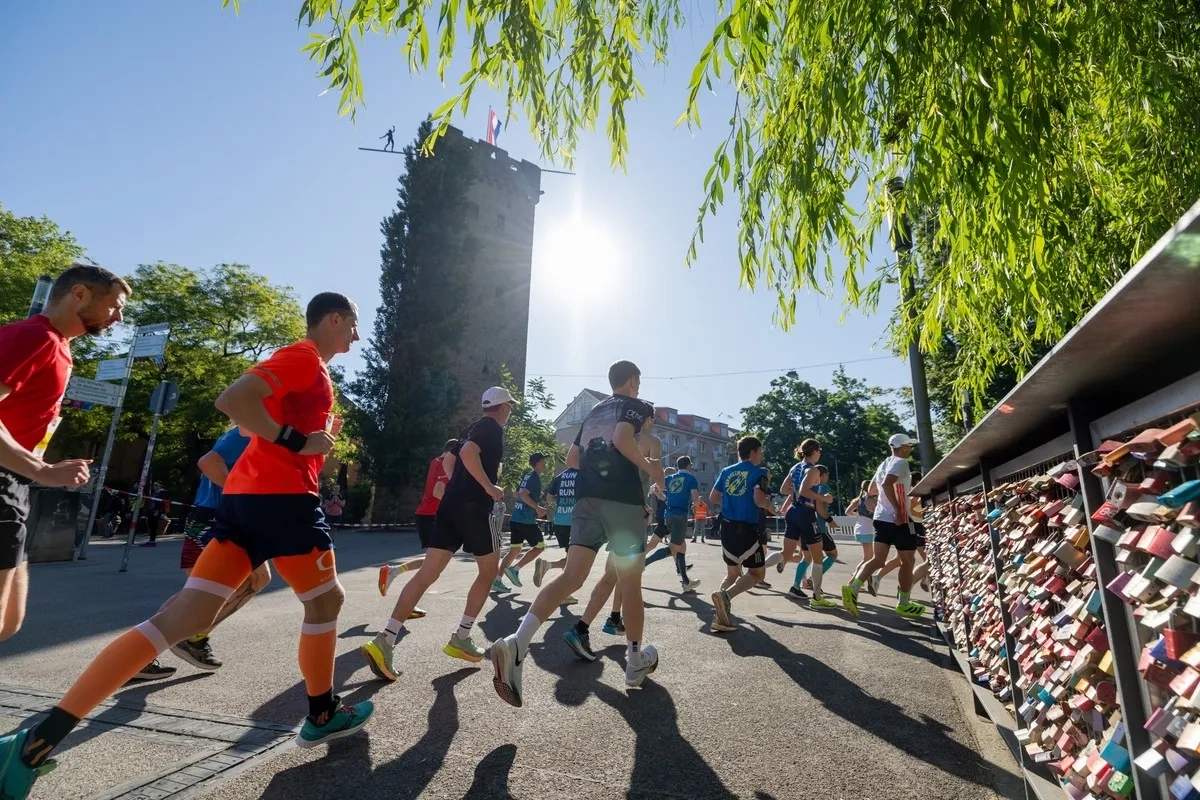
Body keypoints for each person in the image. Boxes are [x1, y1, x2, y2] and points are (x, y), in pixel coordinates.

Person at [0, 293, 371, 799]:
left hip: (245, 500)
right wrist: (294, 441)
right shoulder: (303, 357)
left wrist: (310, 435)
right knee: (327, 601)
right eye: (352, 326)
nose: (356, 336)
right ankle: (322, 713)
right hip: (282, 503)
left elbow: (248, 422)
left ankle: (39, 740)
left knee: (183, 619)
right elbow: (234, 400)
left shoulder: (307, 368)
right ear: (333, 319)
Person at [490, 360, 664, 705]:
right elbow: (623, 437)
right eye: (639, 381)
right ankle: (633, 663)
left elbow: (572, 458)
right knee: (630, 582)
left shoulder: (596, 411)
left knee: (572, 576)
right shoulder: (636, 406)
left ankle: (518, 643)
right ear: (631, 381)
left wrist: (601, 470)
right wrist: (650, 470)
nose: (640, 386)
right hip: (623, 503)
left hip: (587, 501)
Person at [0, 265, 127, 654]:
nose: (118, 318)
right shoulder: (33, 336)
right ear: (80, 294)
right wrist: (41, 468)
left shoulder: (59, 347)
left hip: (14, 482)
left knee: (9, 621)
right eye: (114, 307)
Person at [361, 387, 514, 679]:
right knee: (488, 572)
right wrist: (489, 486)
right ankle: (462, 637)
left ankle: (385, 640)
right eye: (510, 407)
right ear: (503, 407)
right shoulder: (492, 428)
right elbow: (468, 453)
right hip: (474, 509)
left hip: (449, 508)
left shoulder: (471, 426)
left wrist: (464, 480)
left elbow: (449, 461)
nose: (510, 412)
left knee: (427, 573)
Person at [167, 424, 270, 671]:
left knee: (255, 579)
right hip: (213, 517)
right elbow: (208, 462)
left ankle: (194, 638)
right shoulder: (249, 430)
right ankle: (150, 651)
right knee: (197, 595)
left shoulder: (260, 431)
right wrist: (239, 494)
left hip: (225, 518)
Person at [842, 434, 925, 619]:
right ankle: (903, 603)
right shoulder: (901, 462)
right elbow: (888, 484)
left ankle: (852, 588)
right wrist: (897, 508)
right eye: (909, 446)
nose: (911, 449)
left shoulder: (884, 463)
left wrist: (886, 503)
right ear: (902, 447)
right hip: (900, 519)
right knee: (908, 561)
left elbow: (872, 489)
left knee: (878, 560)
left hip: (881, 518)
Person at [708, 436, 781, 631]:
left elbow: (713, 497)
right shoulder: (760, 473)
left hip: (727, 527)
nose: (762, 455)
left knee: (732, 573)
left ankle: (720, 616)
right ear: (753, 452)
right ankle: (726, 597)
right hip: (747, 528)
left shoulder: (726, 471)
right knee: (757, 574)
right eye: (761, 451)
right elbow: (758, 501)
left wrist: (732, 501)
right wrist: (771, 508)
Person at [377, 440, 458, 610]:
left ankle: (398, 580)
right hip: (431, 516)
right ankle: (404, 597)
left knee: (435, 563)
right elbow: (438, 491)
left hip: (428, 515)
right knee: (434, 566)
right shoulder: (444, 463)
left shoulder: (436, 462)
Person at [644, 456, 701, 592]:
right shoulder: (691, 479)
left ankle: (686, 581)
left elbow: (662, 496)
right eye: (691, 465)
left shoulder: (669, 479)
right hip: (680, 516)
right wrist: (696, 505)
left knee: (681, 547)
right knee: (674, 548)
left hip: (668, 516)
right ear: (688, 466)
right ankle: (643, 563)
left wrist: (656, 493)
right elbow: (695, 498)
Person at [496, 452, 550, 590]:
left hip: (516, 519)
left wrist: (538, 496)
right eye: (544, 461)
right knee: (540, 547)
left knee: (514, 550)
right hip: (526, 520)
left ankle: (497, 580)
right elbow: (524, 494)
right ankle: (515, 569)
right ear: (537, 463)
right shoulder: (534, 478)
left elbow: (516, 493)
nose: (546, 464)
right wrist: (537, 507)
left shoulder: (527, 476)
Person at [845, 480, 880, 597]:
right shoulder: (873, 501)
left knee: (867, 558)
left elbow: (847, 512)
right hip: (867, 531)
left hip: (860, 529)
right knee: (868, 559)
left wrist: (859, 515)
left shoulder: (858, 500)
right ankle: (854, 581)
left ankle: (857, 579)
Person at [139, 481, 171, 547]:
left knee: (153, 526)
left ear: (160, 486)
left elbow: (160, 503)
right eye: (154, 485)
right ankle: (151, 541)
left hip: (156, 511)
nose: (155, 487)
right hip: (151, 511)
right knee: (151, 526)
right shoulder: (156, 493)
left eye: (156, 485)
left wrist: (158, 511)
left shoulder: (162, 493)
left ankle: (152, 541)